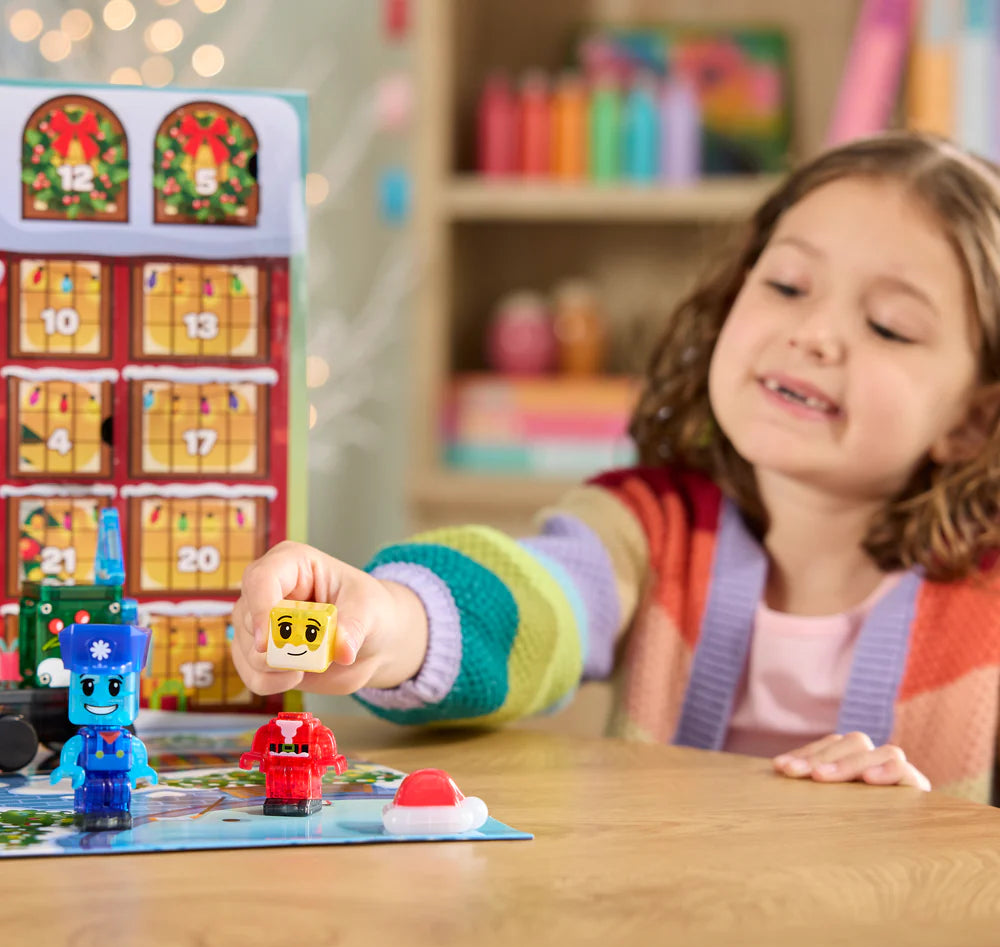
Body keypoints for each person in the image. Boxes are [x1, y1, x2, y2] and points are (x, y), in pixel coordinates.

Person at [232, 132, 1000, 803]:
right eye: (787, 285)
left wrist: (929, 837)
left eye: (888, 327)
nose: (816, 333)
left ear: (974, 419)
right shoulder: (647, 529)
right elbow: (529, 603)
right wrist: (386, 618)